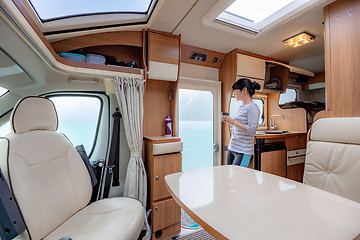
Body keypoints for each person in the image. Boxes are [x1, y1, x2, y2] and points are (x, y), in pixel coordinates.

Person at [222, 78, 261, 167]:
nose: (234, 93)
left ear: (244, 90)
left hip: (243, 150)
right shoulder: (241, 106)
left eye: (235, 91)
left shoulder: (253, 108)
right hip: (232, 147)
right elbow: (239, 125)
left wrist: (233, 121)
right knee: (228, 175)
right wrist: (229, 121)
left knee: (238, 178)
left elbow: (252, 130)